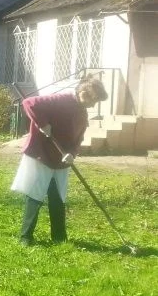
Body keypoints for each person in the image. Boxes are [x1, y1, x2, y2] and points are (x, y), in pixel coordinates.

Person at [10, 75, 109, 245]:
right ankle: (25, 237)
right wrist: (43, 124)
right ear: (84, 94)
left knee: (58, 197)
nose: (93, 105)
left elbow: (79, 138)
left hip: (61, 160)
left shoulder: (82, 113)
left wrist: (72, 153)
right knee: (35, 194)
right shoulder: (61, 99)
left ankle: (59, 237)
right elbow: (29, 103)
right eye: (93, 100)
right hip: (42, 155)